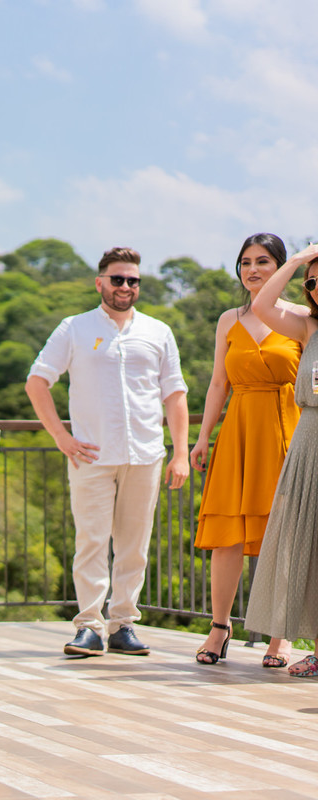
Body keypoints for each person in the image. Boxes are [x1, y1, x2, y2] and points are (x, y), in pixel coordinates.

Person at [25, 247, 189, 657]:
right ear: (100, 283)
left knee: (134, 545)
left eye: (132, 280)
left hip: (145, 455)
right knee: (92, 542)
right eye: (117, 279)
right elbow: (37, 382)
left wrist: (181, 452)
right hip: (91, 456)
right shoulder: (74, 328)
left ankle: (123, 625)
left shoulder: (158, 331)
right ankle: (89, 626)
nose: (125, 287)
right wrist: (61, 438)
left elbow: (175, 395)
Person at [191, 234, 300, 667]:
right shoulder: (227, 320)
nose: (253, 270)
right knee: (227, 536)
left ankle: (281, 633)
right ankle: (220, 627)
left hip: (286, 432)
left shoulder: (302, 318)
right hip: (237, 432)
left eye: (264, 262)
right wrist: (202, 437)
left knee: (284, 536)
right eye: (246, 262)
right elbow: (219, 383)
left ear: (281, 268)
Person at [243, 243, 318, 677]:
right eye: (312, 283)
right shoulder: (308, 327)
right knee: (306, 547)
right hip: (309, 441)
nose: (317, 288)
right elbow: (262, 304)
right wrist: (294, 262)